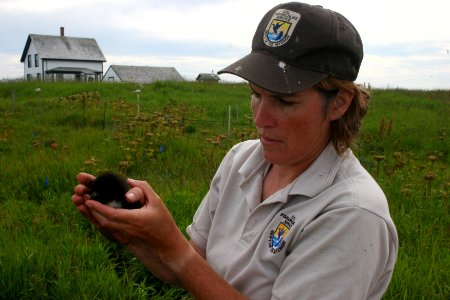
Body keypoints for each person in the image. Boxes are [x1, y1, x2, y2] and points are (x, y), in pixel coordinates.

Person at [72, 2, 398, 299]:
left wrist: (174, 247)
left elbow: (185, 262)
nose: (260, 117)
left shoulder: (351, 213)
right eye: (256, 94)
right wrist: (137, 234)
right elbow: (192, 269)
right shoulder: (242, 160)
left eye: (285, 101)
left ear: (339, 103)